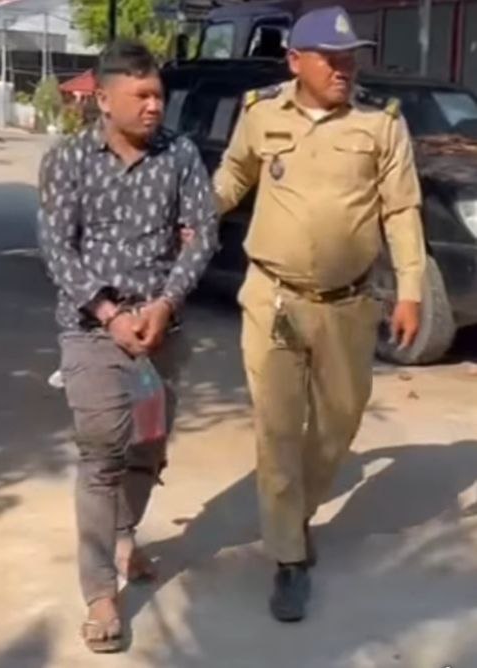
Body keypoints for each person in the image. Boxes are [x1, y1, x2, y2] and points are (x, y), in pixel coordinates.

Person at [213, 5, 426, 623]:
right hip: (273, 298)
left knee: (340, 420)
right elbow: (234, 177)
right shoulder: (260, 114)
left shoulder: (380, 124)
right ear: (295, 61)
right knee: (278, 428)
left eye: (350, 57)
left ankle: (295, 510)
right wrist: (191, 217)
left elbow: (401, 211)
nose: (343, 68)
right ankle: (288, 555)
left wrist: (410, 289)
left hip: (348, 305)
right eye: (330, 58)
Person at [37, 39, 218, 653]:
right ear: (104, 99)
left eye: (158, 95)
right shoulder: (68, 159)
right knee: (101, 456)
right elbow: (56, 247)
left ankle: (123, 537)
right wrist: (110, 314)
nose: (153, 106)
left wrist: (165, 305)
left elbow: (203, 233)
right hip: (91, 329)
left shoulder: (181, 155)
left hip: (162, 329)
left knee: (149, 448)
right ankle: (100, 594)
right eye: (140, 95)